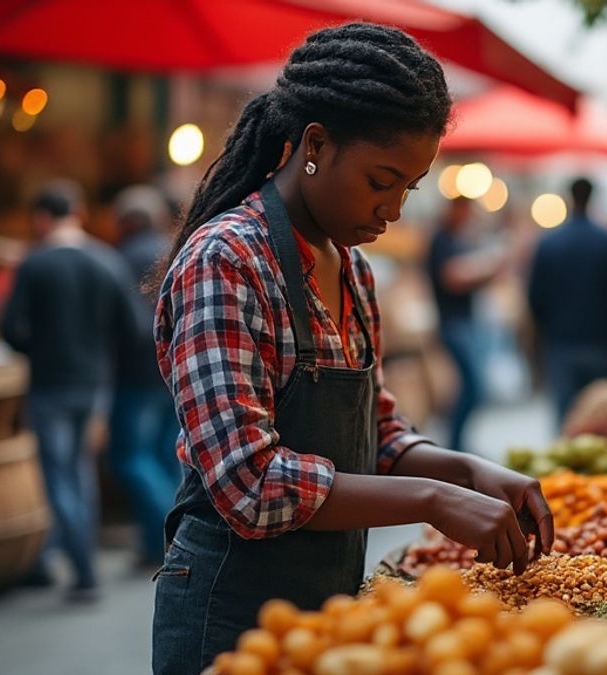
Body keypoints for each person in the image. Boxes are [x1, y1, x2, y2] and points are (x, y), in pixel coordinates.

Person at [149, 24, 552, 674]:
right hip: (228, 610)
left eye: (408, 188)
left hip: (329, 604)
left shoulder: (353, 269)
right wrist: (431, 499)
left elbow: (379, 431)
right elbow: (250, 484)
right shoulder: (226, 260)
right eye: (380, 180)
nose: (392, 209)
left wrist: (467, 471)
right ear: (314, 145)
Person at [0, 180, 140, 602]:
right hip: (95, 384)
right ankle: (65, 561)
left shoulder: (35, 263)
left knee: (59, 474)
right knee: (79, 472)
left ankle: (82, 569)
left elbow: (10, 330)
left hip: (49, 384)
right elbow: (133, 329)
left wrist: (38, 349)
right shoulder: (107, 260)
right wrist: (100, 355)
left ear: (42, 218)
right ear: (77, 213)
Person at [107, 185, 181, 567]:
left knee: (131, 457)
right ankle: (161, 541)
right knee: (166, 456)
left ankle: (172, 531)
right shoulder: (175, 248)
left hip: (135, 375)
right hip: (173, 370)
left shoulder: (120, 259)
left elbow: (124, 324)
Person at [527, 178, 607, 425]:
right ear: (592, 198)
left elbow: (534, 297)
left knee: (567, 417)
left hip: (561, 341)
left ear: (569, 198)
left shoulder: (549, 243)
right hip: (600, 338)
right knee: (604, 416)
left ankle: (566, 463)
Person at [426, 196, 504, 451]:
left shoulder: (457, 239)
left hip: (465, 323)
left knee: (472, 389)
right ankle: (455, 445)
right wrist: (487, 268)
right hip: (454, 325)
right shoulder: (442, 239)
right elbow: (453, 277)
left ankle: (458, 444)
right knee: (472, 388)